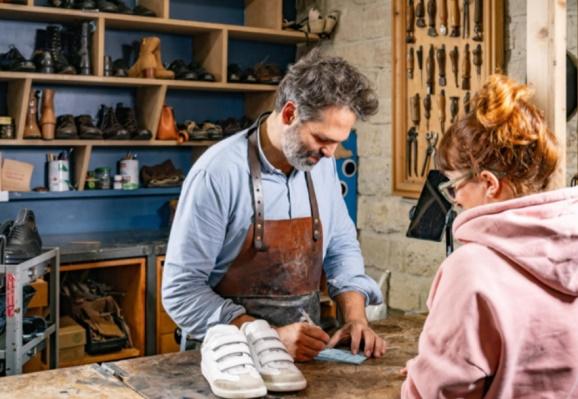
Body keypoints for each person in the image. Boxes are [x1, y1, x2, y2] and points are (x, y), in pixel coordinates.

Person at [162, 49, 387, 361]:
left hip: (305, 356)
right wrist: (268, 338)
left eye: (338, 141)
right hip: (230, 358)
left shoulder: (320, 165)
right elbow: (181, 292)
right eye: (322, 138)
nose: (330, 153)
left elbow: (341, 246)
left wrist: (356, 318)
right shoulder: (218, 172)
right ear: (289, 113)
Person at [401, 74, 578, 397]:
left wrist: (421, 378)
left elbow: (442, 392)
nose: (456, 199)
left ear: (489, 184)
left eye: (455, 186)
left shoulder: (472, 268)